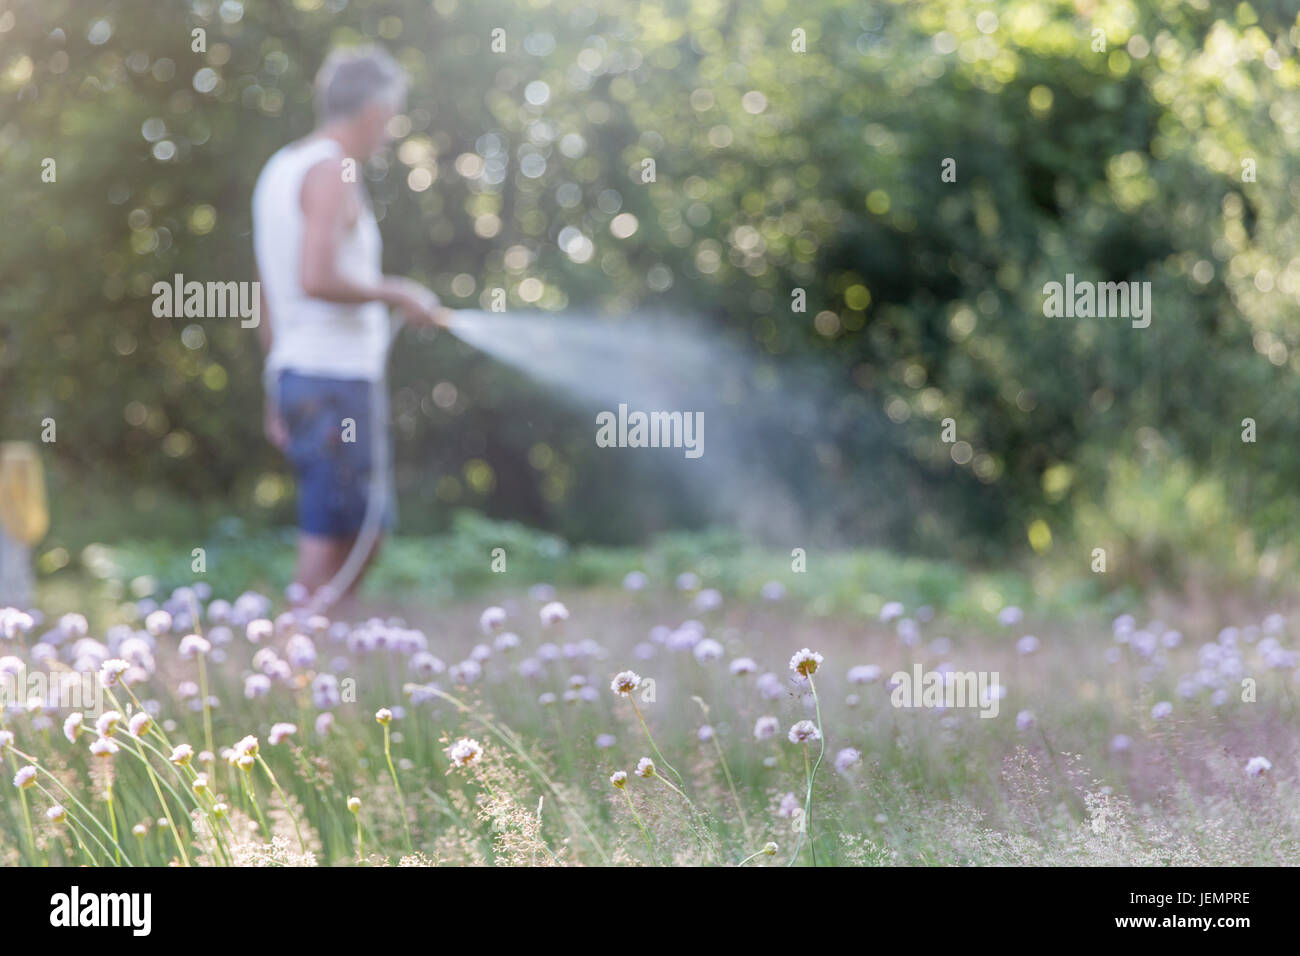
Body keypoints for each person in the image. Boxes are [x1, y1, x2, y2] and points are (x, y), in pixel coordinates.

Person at [252, 45, 451, 610]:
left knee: (358, 526)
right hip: (332, 378)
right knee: (336, 532)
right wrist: (399, 293)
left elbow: (267, 289)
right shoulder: (332, 169)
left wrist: (274, 382)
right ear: (374, 113)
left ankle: (320, 658)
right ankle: (295, 660)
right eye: (391, 120)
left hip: (302, 372)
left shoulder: (281, 168)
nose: (389, 134)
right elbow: (314, 277)